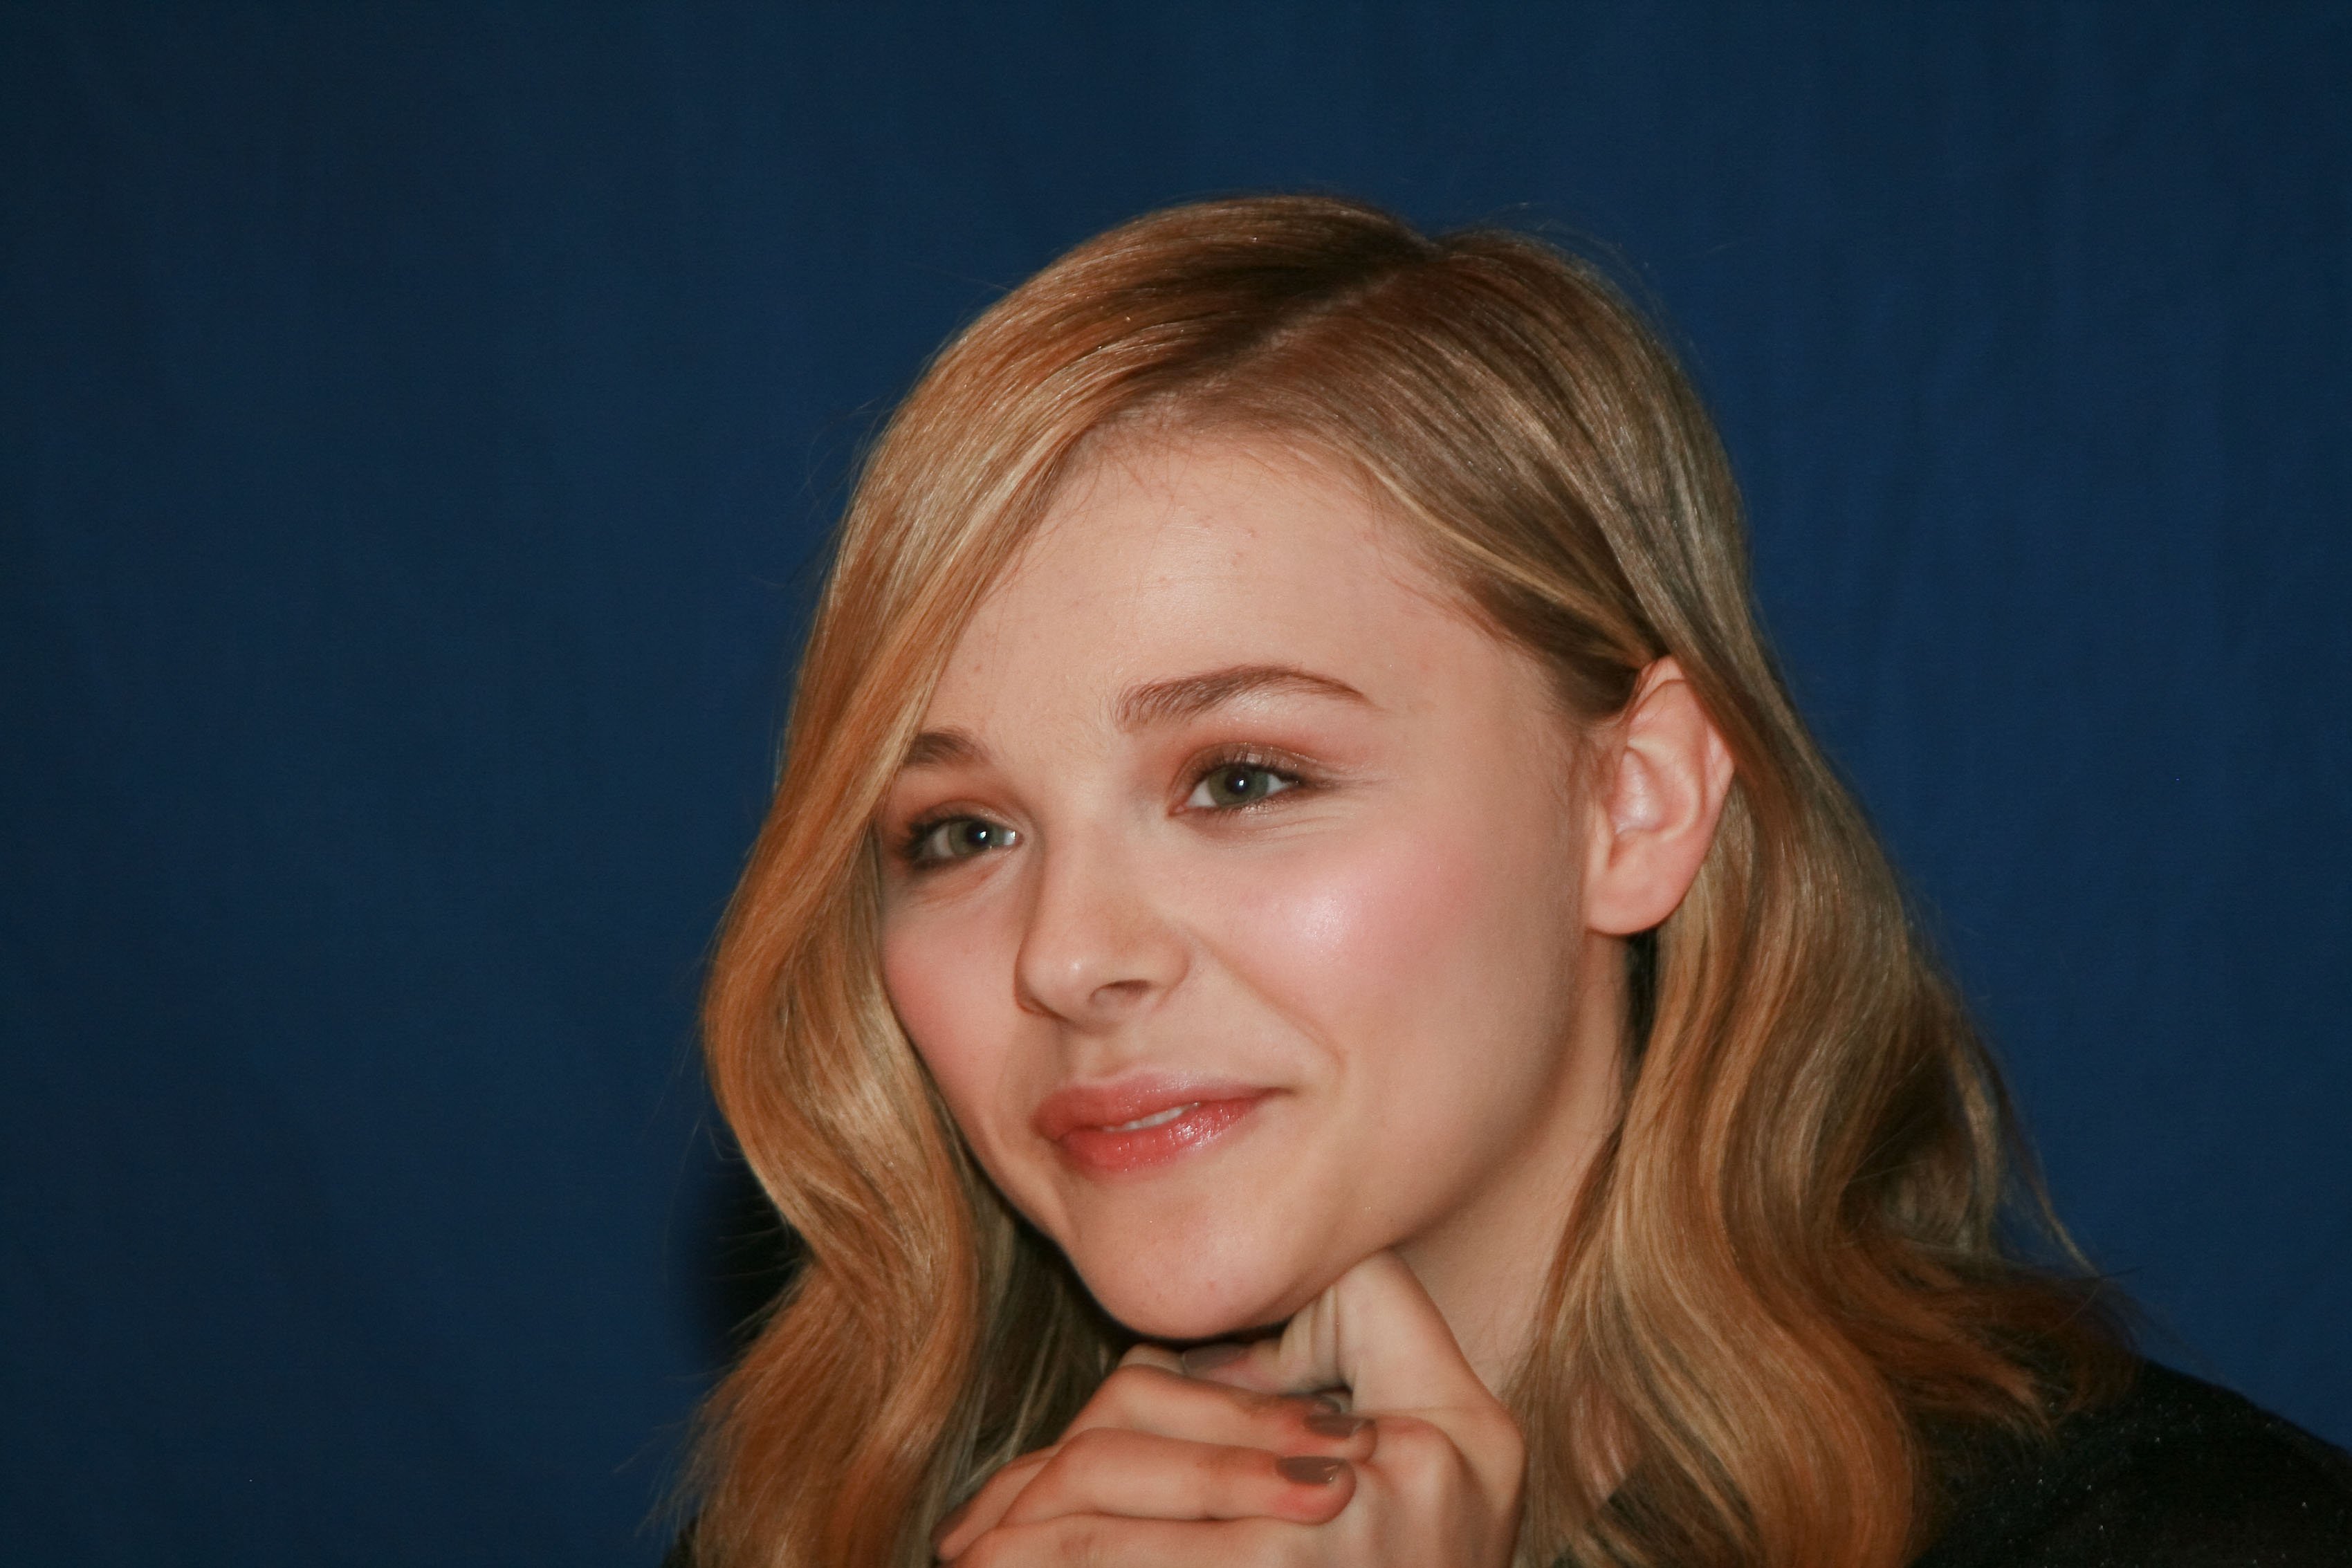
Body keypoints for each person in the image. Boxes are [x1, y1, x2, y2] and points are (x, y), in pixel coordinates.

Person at [672, 196, 2352, 1568]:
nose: (1066, 957)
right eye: (959, 834)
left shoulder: (2174, 1539)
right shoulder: (830, 1530)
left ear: (1632, 803)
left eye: (1242, 779)